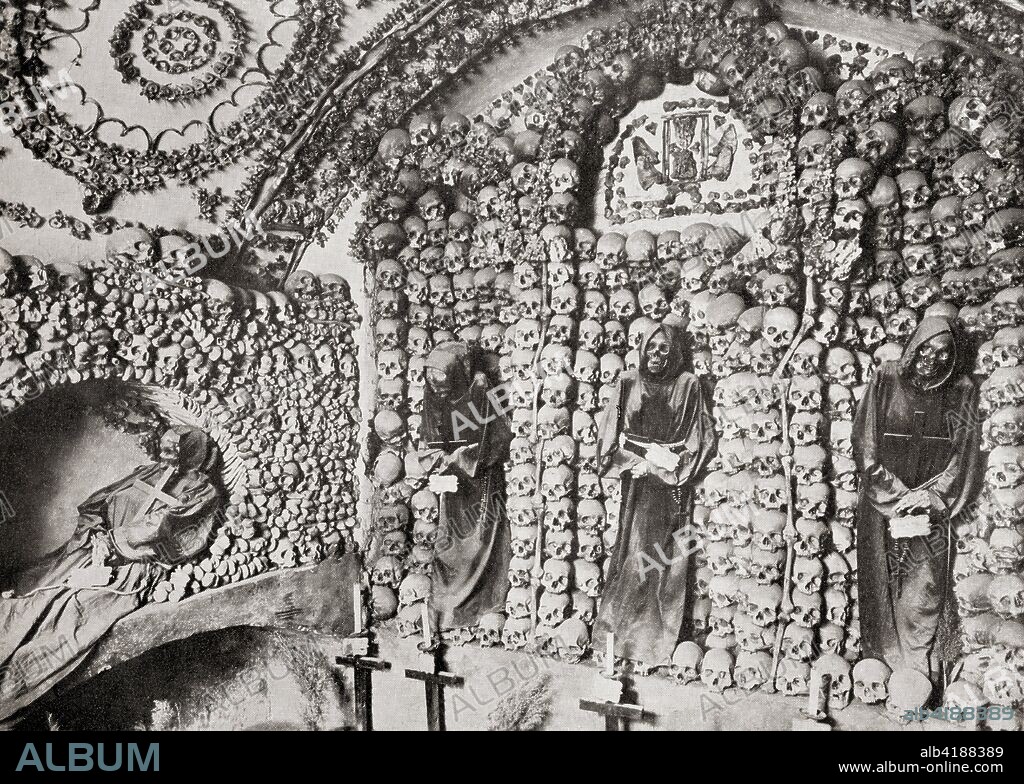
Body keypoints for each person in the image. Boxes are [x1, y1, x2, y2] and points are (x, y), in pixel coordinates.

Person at [0, 426, 222, 726]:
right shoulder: (146, 474)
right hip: (93, 550)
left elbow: (169, 530)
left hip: (130, 568)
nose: (165, 452)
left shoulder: (202, 491)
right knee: (33, 586)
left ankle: (11, 689)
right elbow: (97, 504)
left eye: (174, 448)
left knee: (70, 612)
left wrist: (115, 543)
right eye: (165, 445)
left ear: (192, 452)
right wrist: (97, 536)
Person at [853, 317, 983, 687]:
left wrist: (932, 495)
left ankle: (917, 672)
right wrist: (897, 494)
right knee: (879, 584)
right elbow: (865, 442)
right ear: (914, 347)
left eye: (943, 353)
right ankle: (881, 668)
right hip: (882, 501)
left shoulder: (962, 390)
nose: (932, 359)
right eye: (925, 349)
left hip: (930, 506)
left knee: (923, 588)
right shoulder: (886, 379)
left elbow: (964, 454)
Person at [594, 322, 716, 669]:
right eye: (651, 348)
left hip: (672, 488)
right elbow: (608, 437)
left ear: (676, 352)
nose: (656, 356)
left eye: (664, 349)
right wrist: (634, 463)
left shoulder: (689, 384)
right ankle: (619, 640)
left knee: (667, 562)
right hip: (637, 484)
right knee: (633, 556)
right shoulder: (627, 382)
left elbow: (699, 440)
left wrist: (667, 469)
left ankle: (654, 646)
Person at [415, 342, 511, 631]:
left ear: (458, 374)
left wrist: (464, 459)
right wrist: (439, 462)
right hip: (452, 485)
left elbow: (498, 437)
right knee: (449, 545)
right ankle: (447, 607)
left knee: (479, 542)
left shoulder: (480, 389)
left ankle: (479, 606)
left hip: (481, 483)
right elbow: (428, 438)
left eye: (442, 381)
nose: (437, 389)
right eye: (432, 382)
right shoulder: (434, 393)